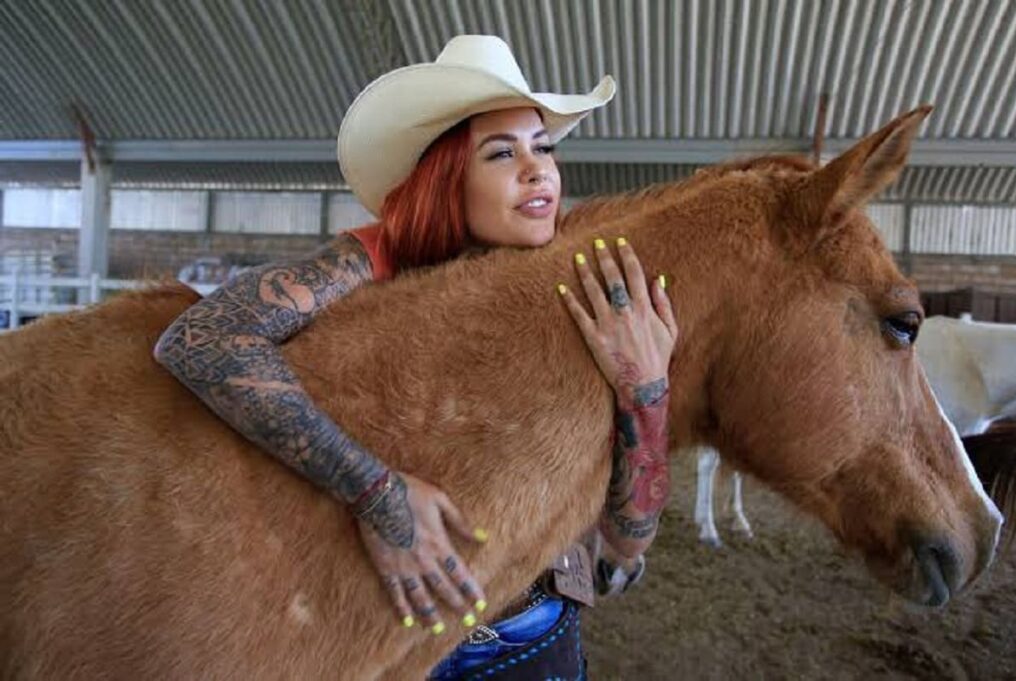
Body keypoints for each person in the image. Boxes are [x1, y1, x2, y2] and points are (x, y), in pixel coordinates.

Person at [154, 35, 678, 679]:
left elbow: (623, 549)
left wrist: (647, 391)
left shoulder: (583, 288)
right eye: (501, 153)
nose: (537, 169)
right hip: (384, 635)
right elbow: (200, 340)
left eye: (544, 147)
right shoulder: (371, 261)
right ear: (447, 176)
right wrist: (377, 493)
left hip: (533, 632)